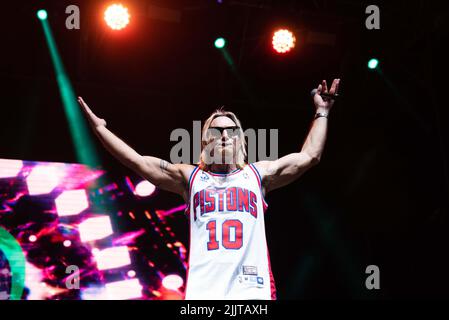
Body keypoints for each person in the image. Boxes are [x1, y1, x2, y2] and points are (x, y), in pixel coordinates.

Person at [77, 78, 340, 300]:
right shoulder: (189, 177)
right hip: (204, 293)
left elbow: (310, 156)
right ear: (206, 140)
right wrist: (101, 130)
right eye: (217, 131)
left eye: (231, 131)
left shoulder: (258, 175)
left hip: (251, 291)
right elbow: (137, 161)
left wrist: (322, 112)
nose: (225, 136)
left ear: (240, 139)